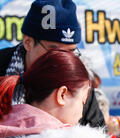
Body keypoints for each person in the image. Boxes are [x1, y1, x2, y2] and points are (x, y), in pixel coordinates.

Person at [0, 0, 105, 128]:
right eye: (54, 51)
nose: (62, 59)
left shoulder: (77, 79)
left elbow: (98, 133)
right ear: (28, 42)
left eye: (71, 51)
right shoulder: (2, 65)